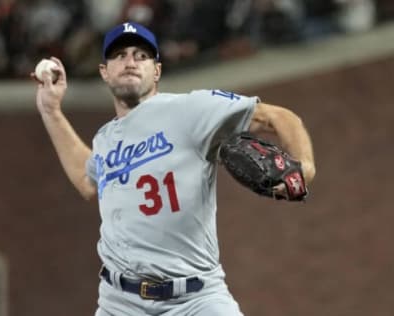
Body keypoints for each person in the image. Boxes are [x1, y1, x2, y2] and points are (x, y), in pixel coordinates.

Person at [34, 21, 315, 316]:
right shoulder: (105, 138)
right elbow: (86, 180)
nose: (130, 62)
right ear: (104, 71)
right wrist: (51, 111)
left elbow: (280, 117)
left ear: (156, 70)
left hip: (195, 298)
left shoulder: (191, 109)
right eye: (119, 56)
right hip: (120, 302)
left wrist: (305, 167)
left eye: (141, 56)